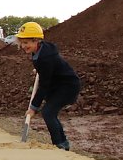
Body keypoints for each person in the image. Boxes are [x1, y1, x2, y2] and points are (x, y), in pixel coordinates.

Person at [15, 22, 80, 151]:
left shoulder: (46, 57)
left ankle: (59, 144)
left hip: (67, 86)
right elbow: (47, 72)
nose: (23, 46)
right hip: (57, 85)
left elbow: (44, 86)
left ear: (36, 40)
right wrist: (41, 70)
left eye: (26, 43)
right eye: (22, 42)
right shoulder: (39, 51)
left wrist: (33, 107)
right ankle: (63, 143)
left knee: (48, 112)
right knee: (50, 112)